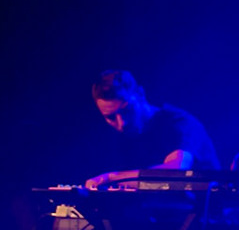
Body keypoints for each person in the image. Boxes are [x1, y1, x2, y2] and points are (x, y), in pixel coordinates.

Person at [88, 69, 220, 173]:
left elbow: (176, 170)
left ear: (140, 94)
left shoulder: (180, 123)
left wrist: (113, 178)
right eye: (111, 117)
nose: (122, 123)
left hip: (199, 207)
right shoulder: (120, 140)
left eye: (127, 111)